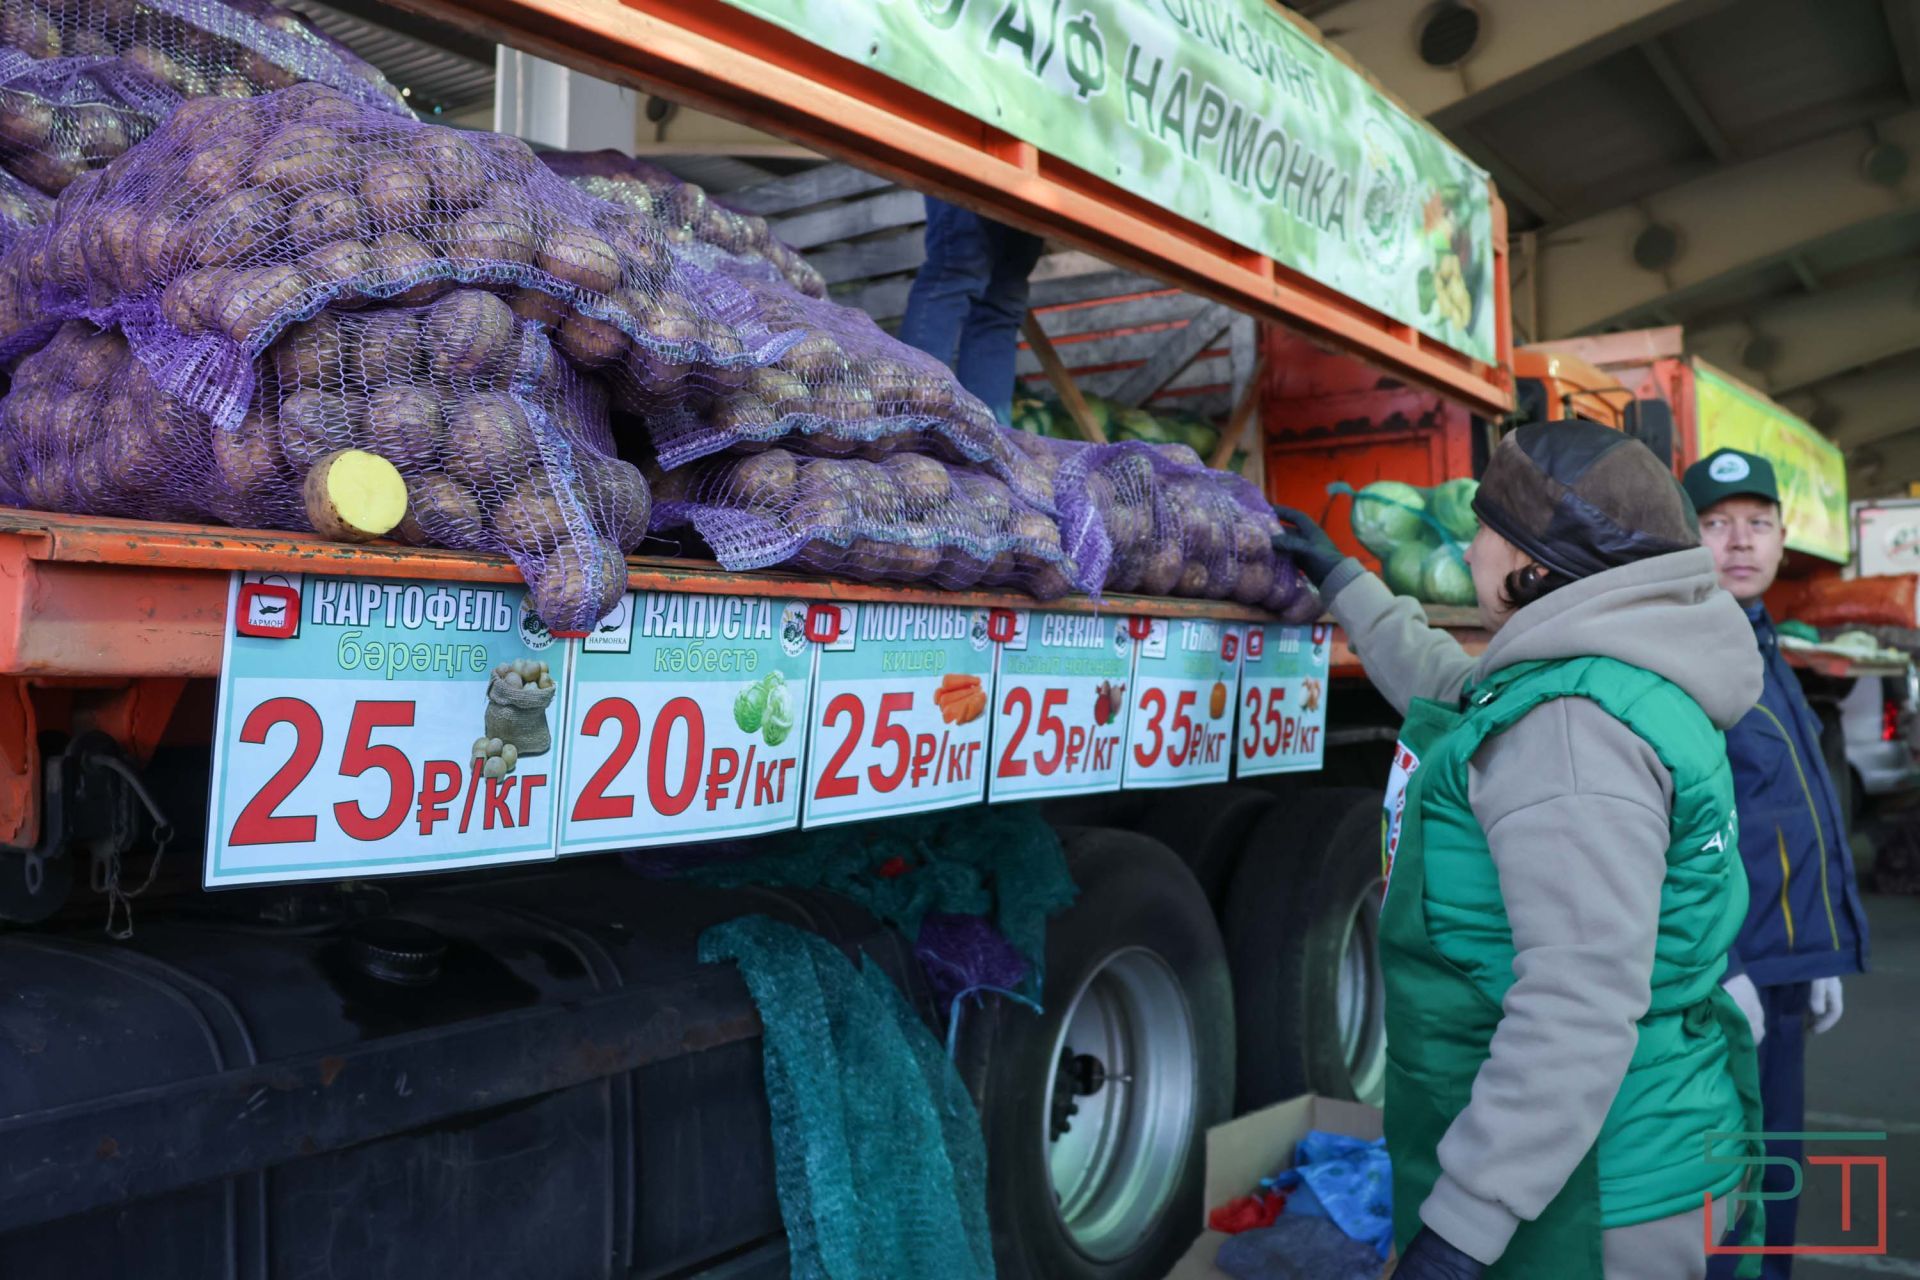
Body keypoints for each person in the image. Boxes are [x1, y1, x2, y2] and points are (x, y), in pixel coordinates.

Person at [1273, 421, 1765, 1280]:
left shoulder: (1573, 734)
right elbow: (1454, 686)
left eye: (1484, 528)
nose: (1468, 545)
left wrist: (1464, 1225)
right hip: (1633, 1146)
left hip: (1594, 1199)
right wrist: (1344, 583)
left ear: (1534, 566)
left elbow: (1574, 1007)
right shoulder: (1616, 673)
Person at [1682, 448, 1870, 1280]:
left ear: (1783, 539)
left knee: (1774, 1190)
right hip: (1731, 982)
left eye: (1757, 524)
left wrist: (1821, 952)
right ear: (1687, 540)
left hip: (1782, 972)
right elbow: (1670, 828)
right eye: (1716, 524)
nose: (1739, 542)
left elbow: (1795, 813)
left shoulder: (1761, 642)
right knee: (1729, 1197)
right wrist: (1722, 966)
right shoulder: (1684, 654)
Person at [896, 195, 1045, 425]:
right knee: (958, 263)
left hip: (1033, 176)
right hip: (978, 161)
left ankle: (986, 440)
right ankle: (911, 425)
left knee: (1004, 291)